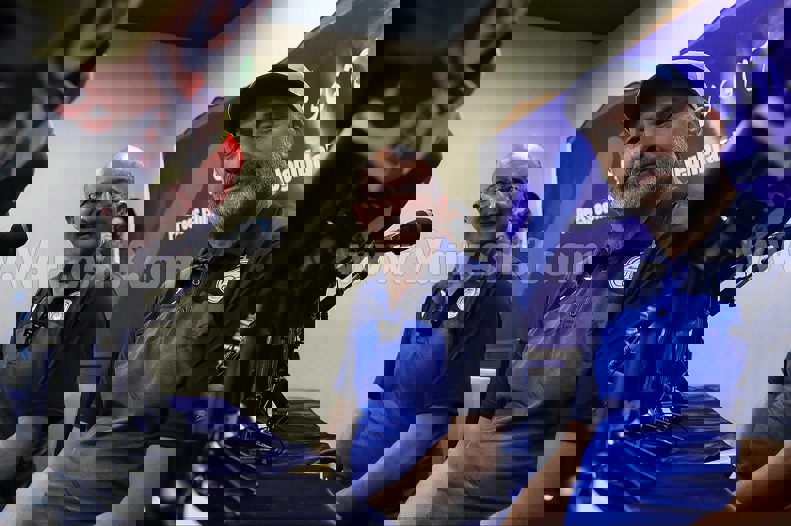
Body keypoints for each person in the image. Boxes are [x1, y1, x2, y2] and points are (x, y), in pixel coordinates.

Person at [0, 2, 535, 525]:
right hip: (199, 328)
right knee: (119, 442)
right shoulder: (287, 149)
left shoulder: (320, 177)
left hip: (224, 342)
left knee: (143, 451)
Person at [394, 25, 791, 522]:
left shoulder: (718, 253)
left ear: (711, 133)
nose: (640, 142)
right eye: (630, 135)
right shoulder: (600, 256)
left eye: (662, 121)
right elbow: (534, 365)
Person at [335, 147, 543, 524]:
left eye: (495, 205)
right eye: (484, 199)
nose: (477, 210)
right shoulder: (453, 280)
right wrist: (340, 451)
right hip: (362, 459)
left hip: (383, 485)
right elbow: (391, 380)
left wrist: (358, 496)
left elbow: (439, 422)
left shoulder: (496, 298)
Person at [0, 148, 142, 508]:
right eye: (88, 201)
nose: (90, 212)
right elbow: (22, 355)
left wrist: (22, 457)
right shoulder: (58, 284)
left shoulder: (103, 293)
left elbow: (63, 408)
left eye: (107, 205)